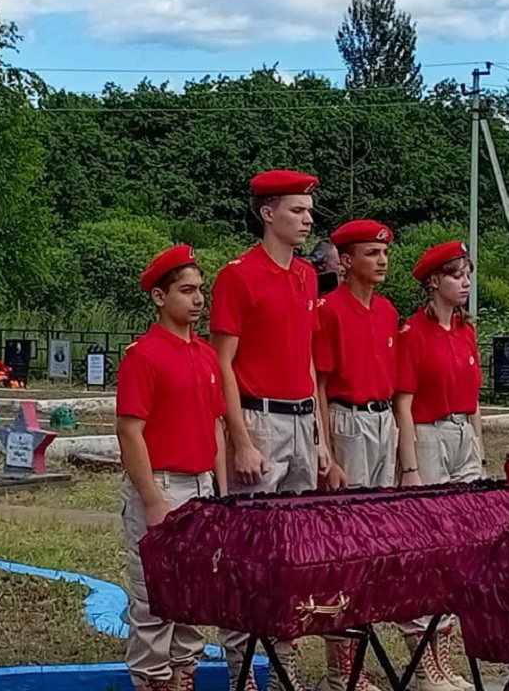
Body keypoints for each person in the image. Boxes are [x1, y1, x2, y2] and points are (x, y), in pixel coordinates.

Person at [211, 169, 335, 691]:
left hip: (301, 419)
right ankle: (244, 670)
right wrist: (240, 439)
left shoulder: (307, 277)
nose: (307, 220)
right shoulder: (238, 275)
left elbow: (308, 361)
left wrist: (322, 437)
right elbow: (224, 363)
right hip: (259, 418)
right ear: (268, 213)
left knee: (292, 552)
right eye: (296, 211)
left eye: (308, 212)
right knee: (248, 549)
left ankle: (285, 667)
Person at [117, 245, 229, 691]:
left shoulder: (204, 354)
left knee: (194, 595)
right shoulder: (143, 355)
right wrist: (152, 499)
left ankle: (184, 677)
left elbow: (216, 424)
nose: (198, 299)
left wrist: (221, 491)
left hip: (202, 487)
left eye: (201, 290)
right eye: (187, 290)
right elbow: (130, 432)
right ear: (160, 297)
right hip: (163, 484)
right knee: (154, 597)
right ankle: (151, 681)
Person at [393, 241, 485, 691]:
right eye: (456, 275)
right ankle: (423, 656)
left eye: (467, 274)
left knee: (460, 546)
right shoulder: (413, 333)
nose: (465, 282)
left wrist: (478, 451)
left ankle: (444, 655)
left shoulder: (466, 332)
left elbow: (474, 402)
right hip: (428, 436)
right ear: (434, 282)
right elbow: (404, 404)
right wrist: (409, 467)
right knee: (430, 544)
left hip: (461, 435)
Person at [313, 220, 398, 691]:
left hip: (383, 419)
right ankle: (340, 665)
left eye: (384, 253)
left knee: (373, 542)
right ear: (346, 261)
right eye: (370, 253)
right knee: (344, 540)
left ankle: (360, 652)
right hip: (347, 418)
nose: (381, 261)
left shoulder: (387, 312)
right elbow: (321, 386)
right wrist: (326, 449)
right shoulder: (329, 310)